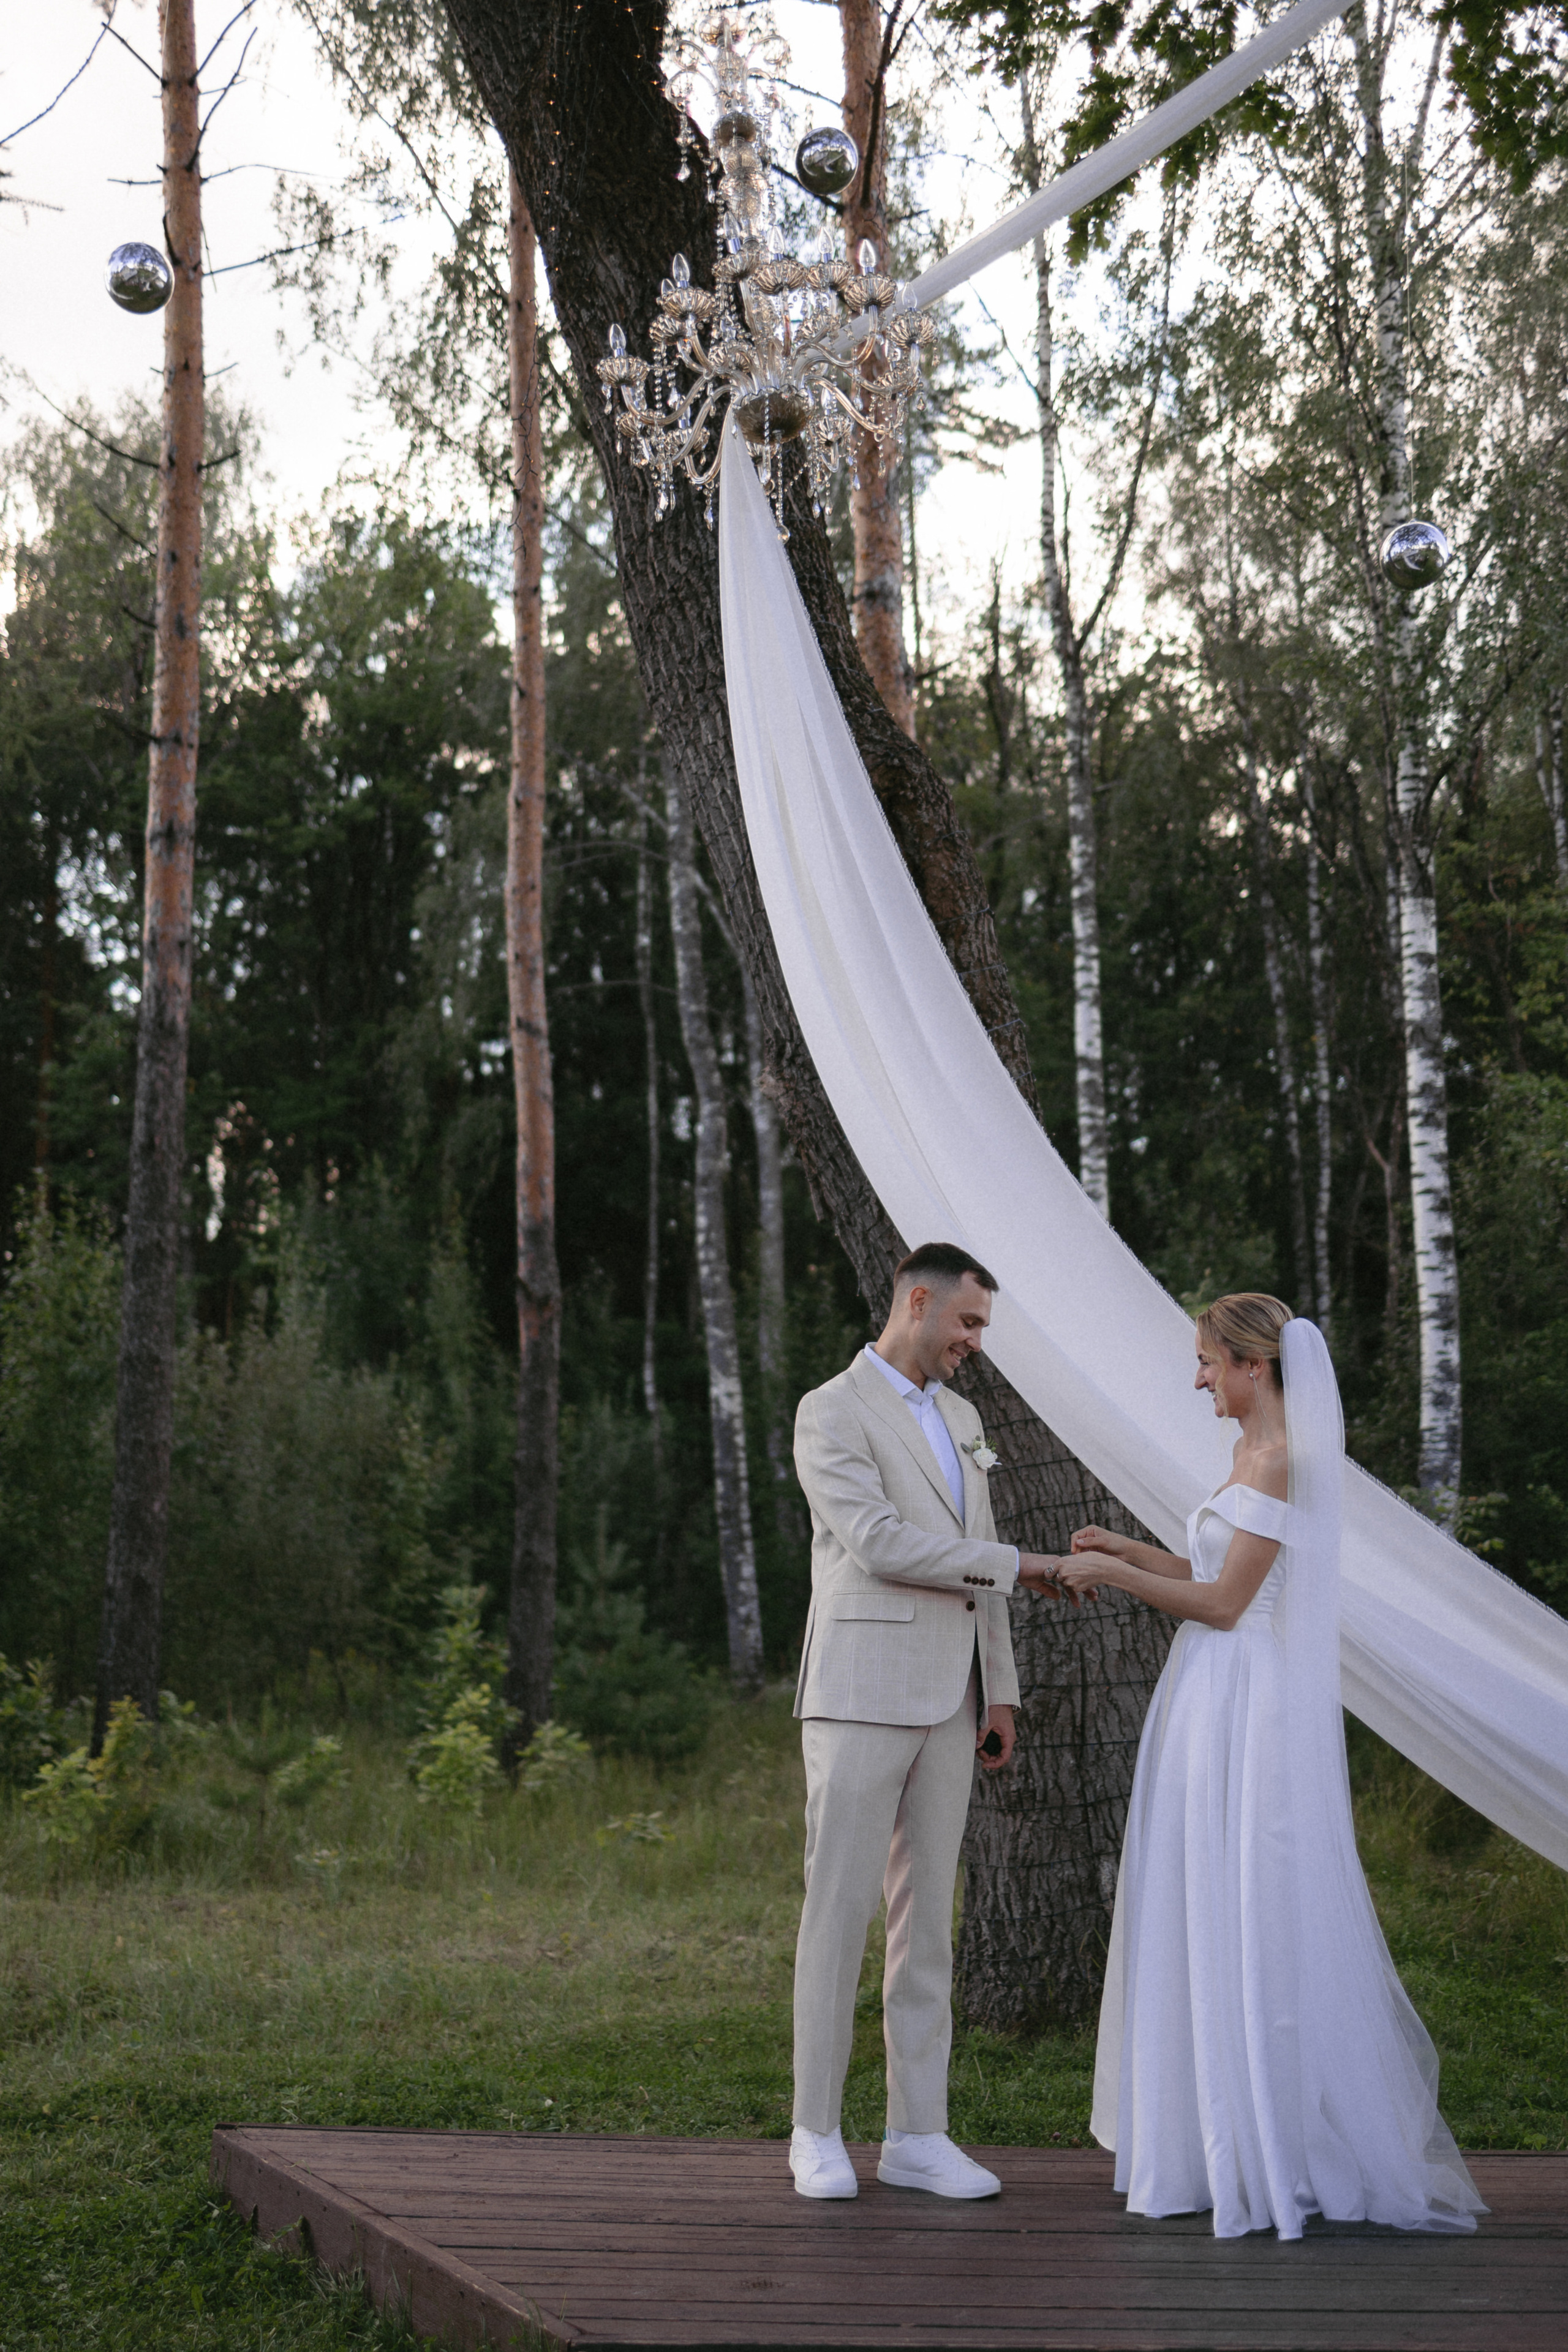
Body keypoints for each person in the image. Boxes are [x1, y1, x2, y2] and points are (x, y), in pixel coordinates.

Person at [1049, 1293, 1484, 2241]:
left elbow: (1228, 1605)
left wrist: (1114, 1579)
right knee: (1201, 1897)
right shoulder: (1248, 1456)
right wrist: (1126, 1546)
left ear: (1253, 1364)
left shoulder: (1282, 1458)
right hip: (1207, 1696)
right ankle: (1215, 2133)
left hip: (1244, 1696)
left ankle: (1265, 2138)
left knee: (1247, 1897)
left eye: (1208, 1361)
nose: (1198, 1377)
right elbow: (1213, 1566)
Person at [787, 1242, 1060, 2201]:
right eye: (969, 1324)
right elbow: (880, 1543)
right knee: (839, 1913)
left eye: (981, 1328)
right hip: (861, 1689)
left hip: (953, 1697)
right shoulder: (829, 1411)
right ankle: (815, 2130)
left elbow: (972, 1548)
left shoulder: (964, 1417)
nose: (975, 1345)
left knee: (927, 1925)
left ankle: (917, 2134)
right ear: (918, 1301)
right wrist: (1024, 1566)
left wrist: (1002, 1688)